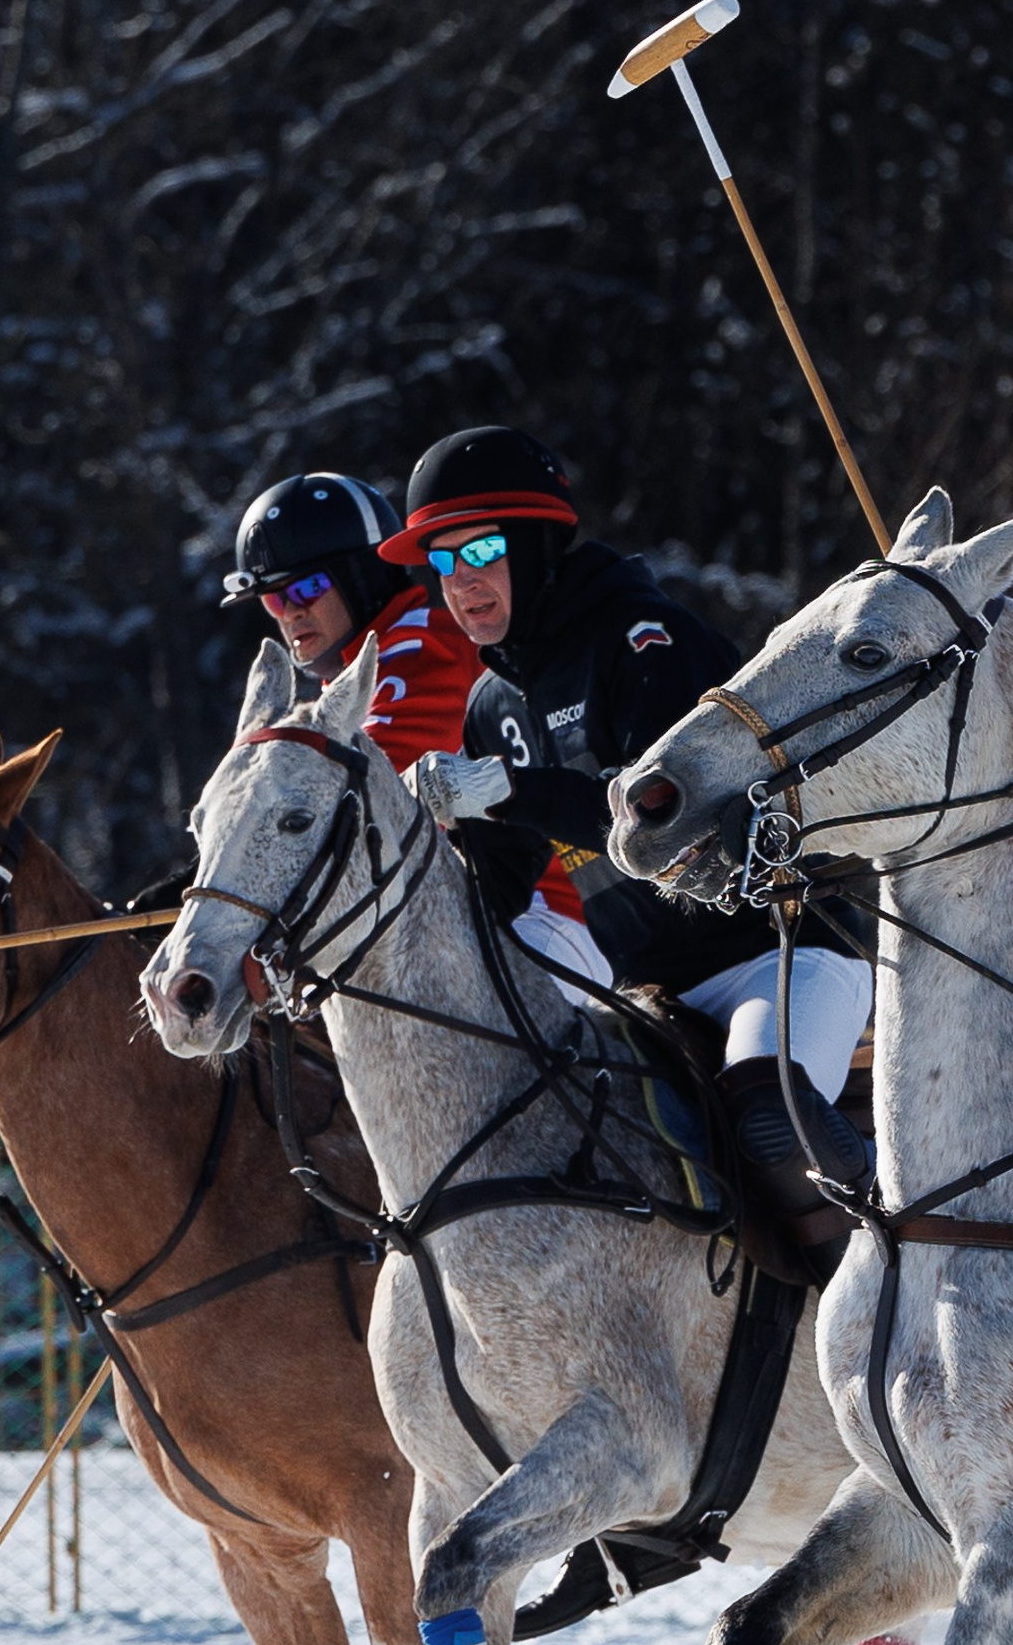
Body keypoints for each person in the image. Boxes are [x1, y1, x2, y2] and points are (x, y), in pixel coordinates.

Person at [371, 427, 874, 1283]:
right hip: (648, 997)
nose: (462, 582)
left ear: (536, 543)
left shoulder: (644, 639)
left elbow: (665, 816)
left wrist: (503, 790)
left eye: (481, 550)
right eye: (440, 565)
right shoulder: (493, 704)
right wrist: (409, 869)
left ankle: (890, 1299)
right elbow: (500, 889)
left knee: (769, 1122)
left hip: (782, 956)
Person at [219, 471, 608, 988]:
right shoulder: (348, 684)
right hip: (457, 910)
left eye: (307, 588)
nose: (290, 613)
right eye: (273, 600)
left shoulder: (417, 648)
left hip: (549, 912)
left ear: (361, 576)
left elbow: (362, 786)